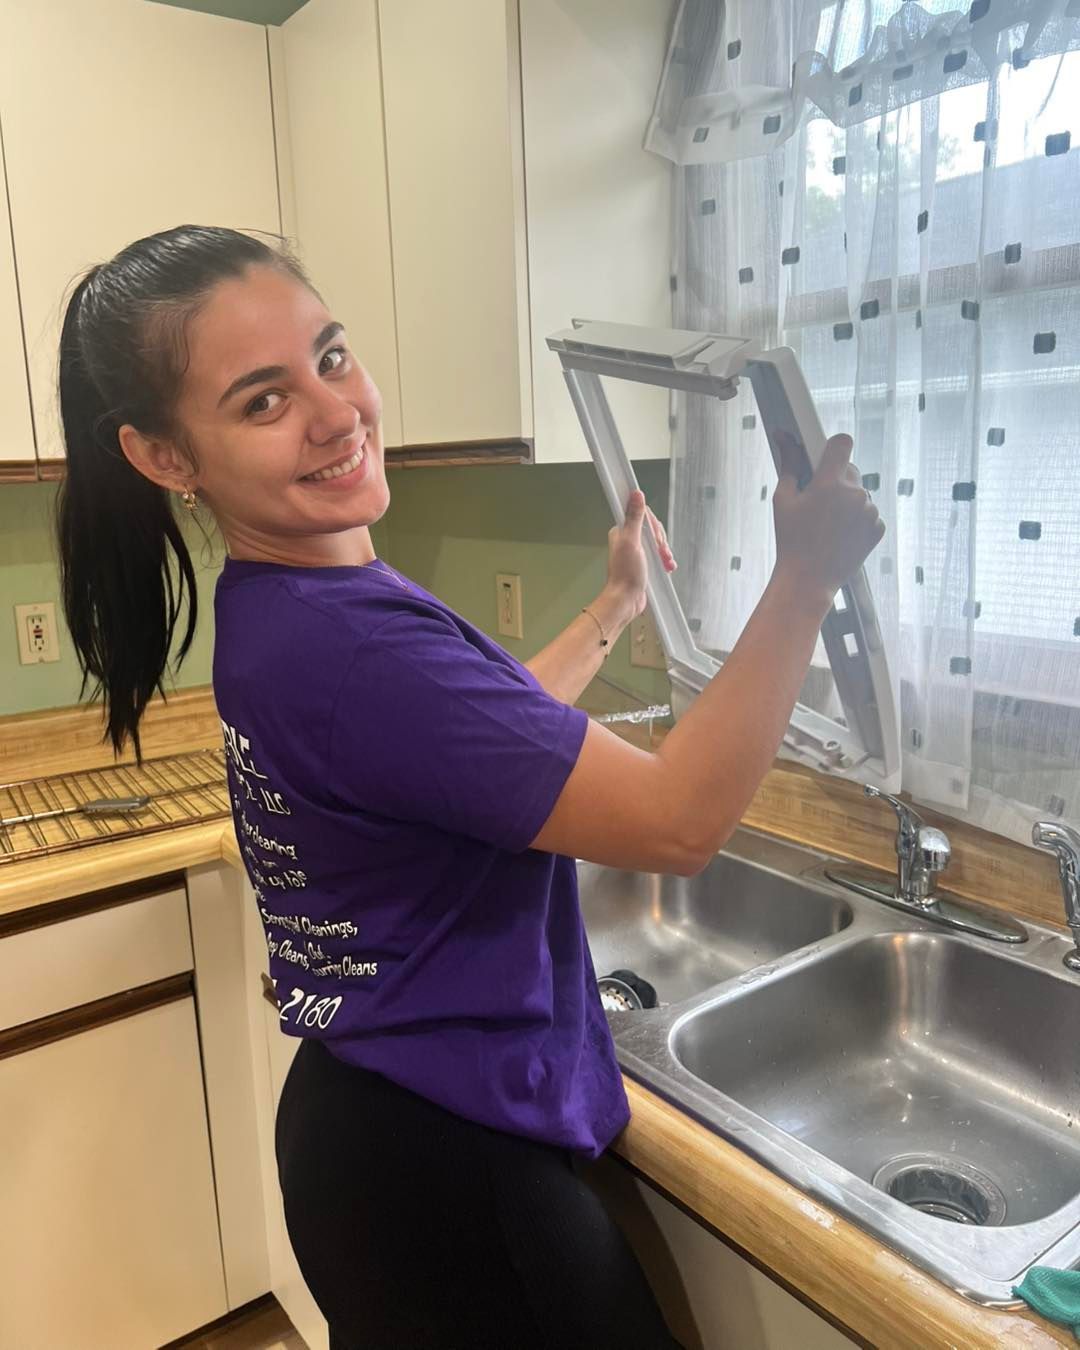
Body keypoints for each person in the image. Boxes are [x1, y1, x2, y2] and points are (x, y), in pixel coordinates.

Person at [56, 225, 883, 1350]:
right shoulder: (353, 643)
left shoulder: (291, 607)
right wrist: (805, 578)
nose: (335, 410)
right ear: (164, 457)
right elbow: (679, 822)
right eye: (261, 401)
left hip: (373, 1132)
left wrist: (614, 613)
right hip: (453, 1177)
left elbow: (475, 753)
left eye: (332, 355)